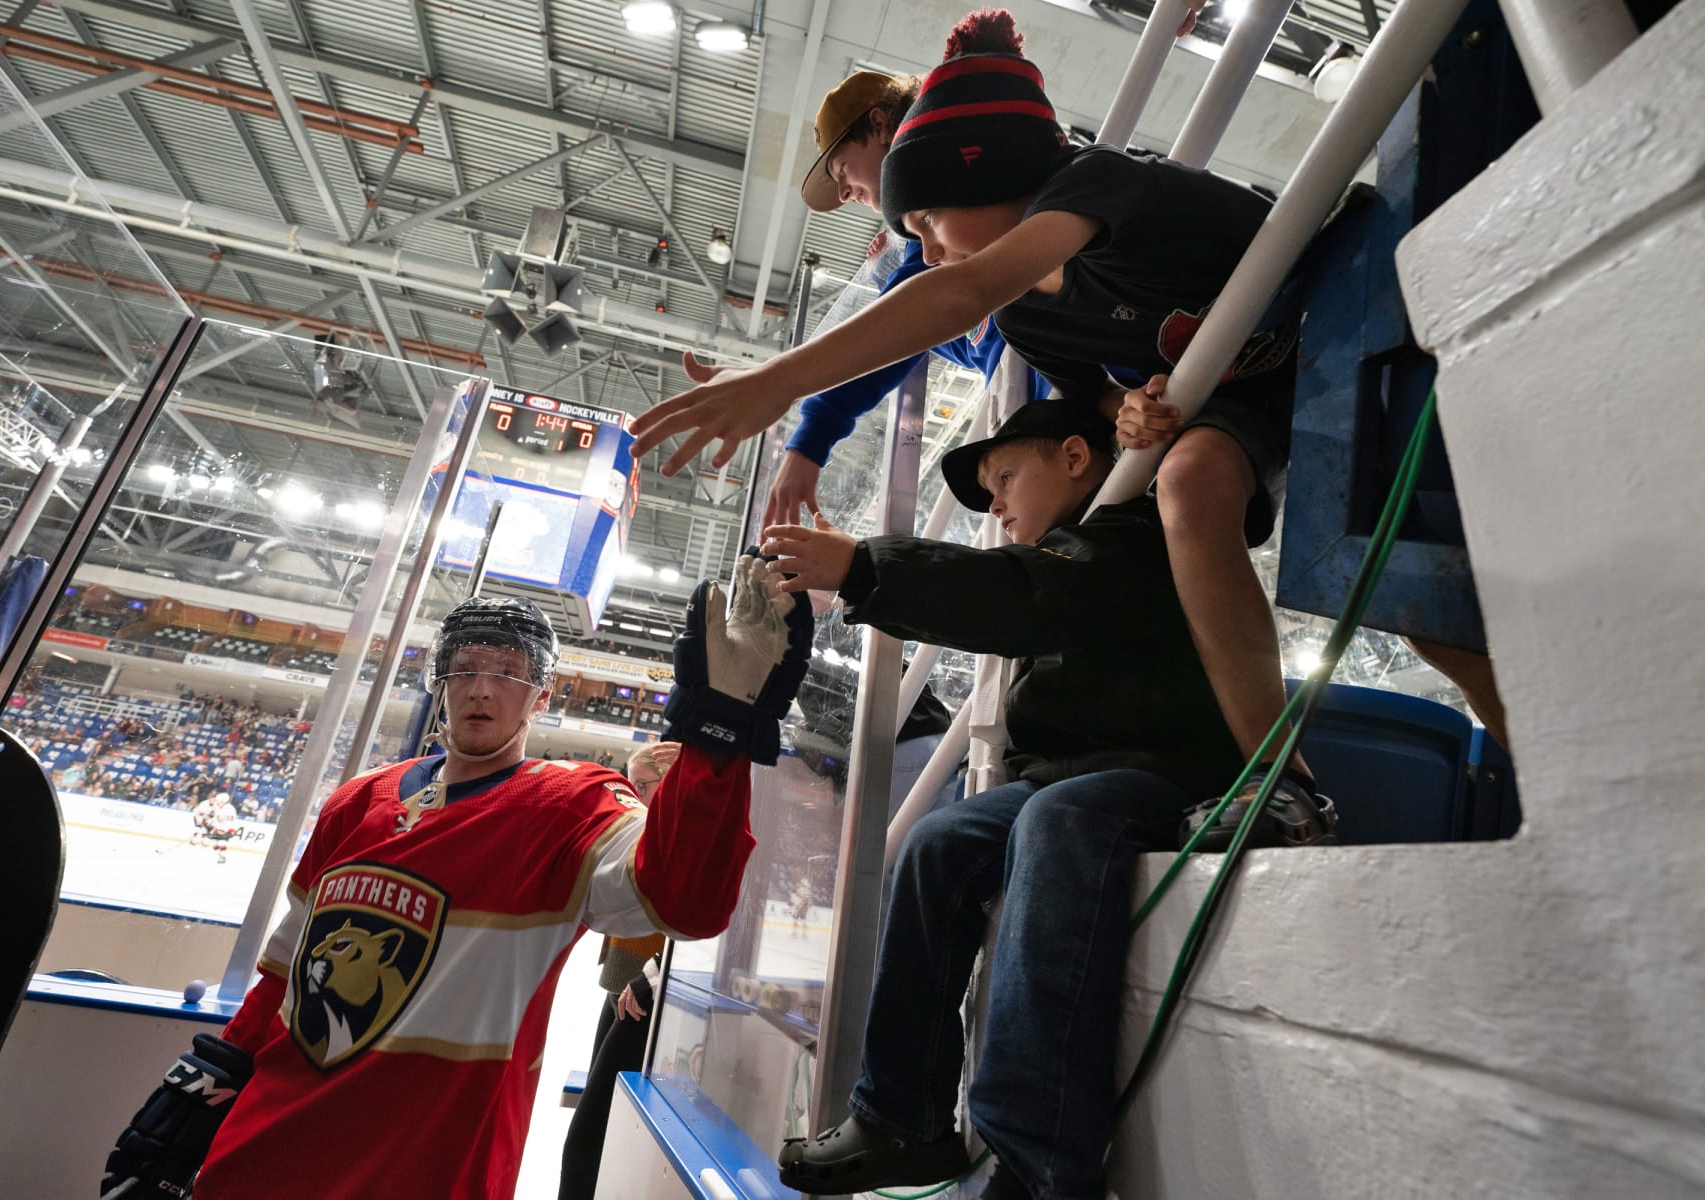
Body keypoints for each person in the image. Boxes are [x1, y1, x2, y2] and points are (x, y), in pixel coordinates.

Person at [630, 8, 1325, 846]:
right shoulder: (1032, 324)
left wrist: (784, 383)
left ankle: (1275, 774)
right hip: (1250, 404)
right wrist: (1131, 409)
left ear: (983, 169)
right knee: (1185, 476)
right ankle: (1282, 782)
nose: (922, 251)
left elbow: (955, 297)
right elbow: (1097, 408)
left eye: (924, 222)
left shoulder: (1102, 181)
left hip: (1335, 331)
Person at [759, 400, 1333, 1199]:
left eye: (1002, 477)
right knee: (936, 844)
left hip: (1165, 771)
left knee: (1055, 819)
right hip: (1068, 776)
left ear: (1074, 457)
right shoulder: (1070, 551)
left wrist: (865, 567)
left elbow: (1026, 596)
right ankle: (902, 1119)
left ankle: (1036, 1165)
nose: (994, 506)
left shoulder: (1133, 535)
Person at [101, 561, 813, 1200]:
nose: (481, 689)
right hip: (261, 1155)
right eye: (463, 669)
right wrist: (215, 1071)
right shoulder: (357, 803)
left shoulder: (572, 806)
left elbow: (684, 903)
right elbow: (283, 980)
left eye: (506, 671)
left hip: (427, 1173)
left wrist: (714, 741)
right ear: (437, 681)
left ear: (541, 692)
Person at [754, 66, 1051, 529]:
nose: (846, 193)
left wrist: (813, 435)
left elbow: (915, 325)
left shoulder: (964, 193)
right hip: (1044, 409)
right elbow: (941, 330)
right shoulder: (926, 248)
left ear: (879, 125)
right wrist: (889, 277)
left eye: (842, 170)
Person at [557, 740, 681, 1200]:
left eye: (642, 786)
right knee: (597, 1095)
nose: (633, 794)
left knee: (596, 1116)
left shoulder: (677, 837)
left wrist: (651, 972)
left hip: (647, 986)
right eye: (629, 785)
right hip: (628, 979)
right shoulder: (641, 830)